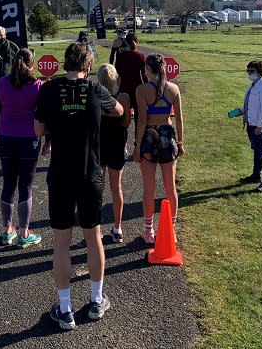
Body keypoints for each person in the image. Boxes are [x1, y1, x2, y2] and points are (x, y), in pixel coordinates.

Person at [34, 43, 123, 330]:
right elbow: (119, 111)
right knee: (93, 237)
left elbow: (38, 129)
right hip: (89, 175)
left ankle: (65, 308)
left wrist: (58, 124)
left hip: (60, 174)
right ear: (88, 64)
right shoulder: (97, 90)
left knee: (61, 243)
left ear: (65, 63)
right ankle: (96, 301)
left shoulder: (49, 89)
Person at [0, 48, 44, 248]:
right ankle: (23, 232)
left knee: (8, 184)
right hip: (29, 140)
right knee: (26, 186)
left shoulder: (2, 83)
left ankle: (7, 230)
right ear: (32, 64)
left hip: (6, 137)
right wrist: (47, 140)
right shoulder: (37, 86)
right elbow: (42, 115)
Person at [133, 53, 184, 245]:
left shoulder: (142, 90)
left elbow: (142, 120)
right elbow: (178, 118)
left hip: (149, 138)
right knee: (170, 187)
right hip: (167, 137)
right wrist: (180, 142)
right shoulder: (173, 88)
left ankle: (149, 231)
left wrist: (137, 145)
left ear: (147, 69)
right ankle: (171, 230)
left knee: (149, 188)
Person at [96, 64, 131, 243]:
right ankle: (117, 228)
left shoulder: (95, 96)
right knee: (116, 187)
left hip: (100, 145)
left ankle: (97, 229)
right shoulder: (123, 97)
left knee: (98, 188)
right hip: (117, 145)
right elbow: (126, 123)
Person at [238, 60, 262, 192]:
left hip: (260, 126)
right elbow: (252, 105)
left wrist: (260, 127)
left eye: (251, 71)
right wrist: (242, 111)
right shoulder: (253, 85)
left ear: (259, 72)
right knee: (257, 151)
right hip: (251, 123)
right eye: (247, 71)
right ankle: (255, 175)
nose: (249, 73)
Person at [114, 32, 147, 119]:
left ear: (126, 43)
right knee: (138, 116)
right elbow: (144, 74)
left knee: (122, 116)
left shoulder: (120, 55)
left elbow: (117, 71)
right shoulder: (141, 56)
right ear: (137, 42)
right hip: (137, 88)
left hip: (124, 88)